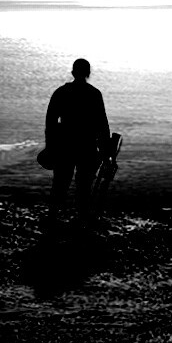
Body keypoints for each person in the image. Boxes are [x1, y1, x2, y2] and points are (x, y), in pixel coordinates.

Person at [44, 58, 112, 228]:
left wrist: (50, 146)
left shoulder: (61, 92)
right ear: (88, 73)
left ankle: (52, 217)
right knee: (84, 185)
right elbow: (102, 125)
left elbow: (50, 123)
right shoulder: (94, 94)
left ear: (73, 72)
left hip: (65, 145)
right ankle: (82, 218)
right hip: (87, 145)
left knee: (60, 183)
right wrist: (106, 152)